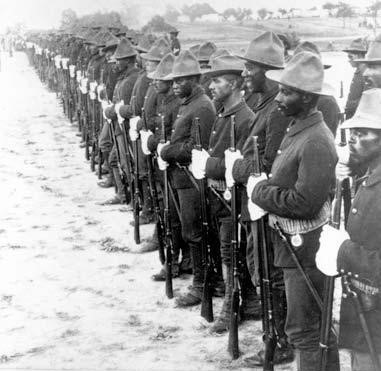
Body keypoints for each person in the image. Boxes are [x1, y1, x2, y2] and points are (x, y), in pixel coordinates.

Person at [246, 51, 340, 370]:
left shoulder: (316, 140)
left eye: (287, 92)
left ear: (307, 97)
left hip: (305, 247)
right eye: (281, 90)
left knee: (305, 330)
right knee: (309, 326)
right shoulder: (299, 128)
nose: (279, 98)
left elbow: (303, 203)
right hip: (293, 245)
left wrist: (260, 191)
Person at [227, 31, 294, 366]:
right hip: (257, 205)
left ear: (267, 71)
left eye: (249, 68)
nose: (243, 74)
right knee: (260, 269)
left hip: (270, 209)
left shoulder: (277, 110)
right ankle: (274, 333)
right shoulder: (262, 104)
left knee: (271, 273)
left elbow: (267, 164)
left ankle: (280, 341)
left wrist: (236, 166)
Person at [317, 88, 381, 371]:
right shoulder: (369, 177)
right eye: (353, 130)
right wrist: (351, 172)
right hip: (366, 316)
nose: (352, 138)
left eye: (364, 132)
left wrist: (343, 252)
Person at [190, 55, 254, 332]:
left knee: (231, 253)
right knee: (227, 249)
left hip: (234, 200)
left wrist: (209, 164)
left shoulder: (244, 119)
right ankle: (250, 302)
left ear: (235, 83)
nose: (211, 86)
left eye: (217, 81)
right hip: (218, 196)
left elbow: (239, 166)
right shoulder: (222, 113)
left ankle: (231, 308)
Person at [157, 50, 216, 307]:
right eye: (174, 80)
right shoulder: (188, 104)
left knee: (196, 233)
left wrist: (167, 151)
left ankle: (202, 286)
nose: (175, 84)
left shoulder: (202, 106)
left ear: (194, 79)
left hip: (192, 180)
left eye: (181, 80)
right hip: (181, 177)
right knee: (191, 231)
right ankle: (202, 281)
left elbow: (195, 146)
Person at [343, 38, 368, 119]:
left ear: (359, 56)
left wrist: (350, 108)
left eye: (351, 57)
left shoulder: (364, 73)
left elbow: (367, 98)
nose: (349, 60)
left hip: (359, 117)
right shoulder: (360, 71)